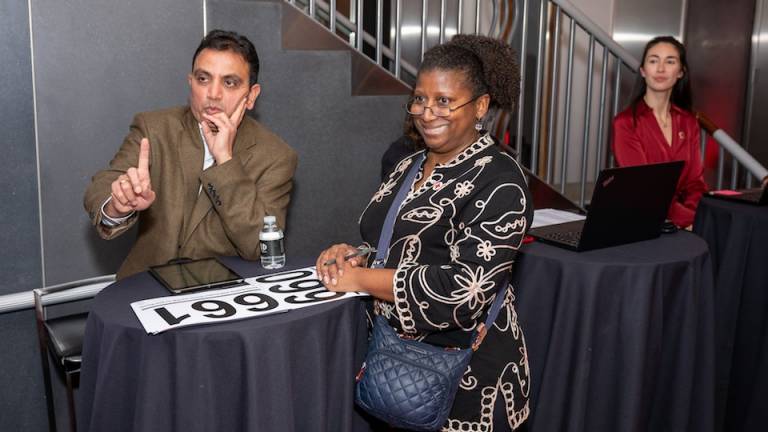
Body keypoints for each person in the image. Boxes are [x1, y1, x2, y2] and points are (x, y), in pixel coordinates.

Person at [316, 35, 532, 431]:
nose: (428, 112)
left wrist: (359, 278)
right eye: (420, 99)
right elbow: (393, 241)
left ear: (480, 106)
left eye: (445, 101)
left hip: (467, 381)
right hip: (395, 364)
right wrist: (355, 254)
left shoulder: (502, 181)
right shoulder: (409, 165)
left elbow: (462, 291)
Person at [84, 29, 298, 279]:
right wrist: (118, 205)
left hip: (223, 296)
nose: (213, 94)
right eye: (203, 79)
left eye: (229, 83)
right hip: (144, 286)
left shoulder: (276, 156)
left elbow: (258, 246)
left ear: (251, 96)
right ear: (190, 82)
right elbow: (100, 188)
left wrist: (225, 161)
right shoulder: (154, 128)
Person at [611, 35, 707, 229]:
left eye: (670, 61)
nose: (661, 68)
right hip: (639, 220)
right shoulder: (626, 123)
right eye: (653, 60)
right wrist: (689, 220)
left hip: (682, 222)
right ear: (643, 70)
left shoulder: (688, 121)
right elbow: (644, 188)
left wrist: (695, 215)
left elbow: (695, 183)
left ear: (681, 72)